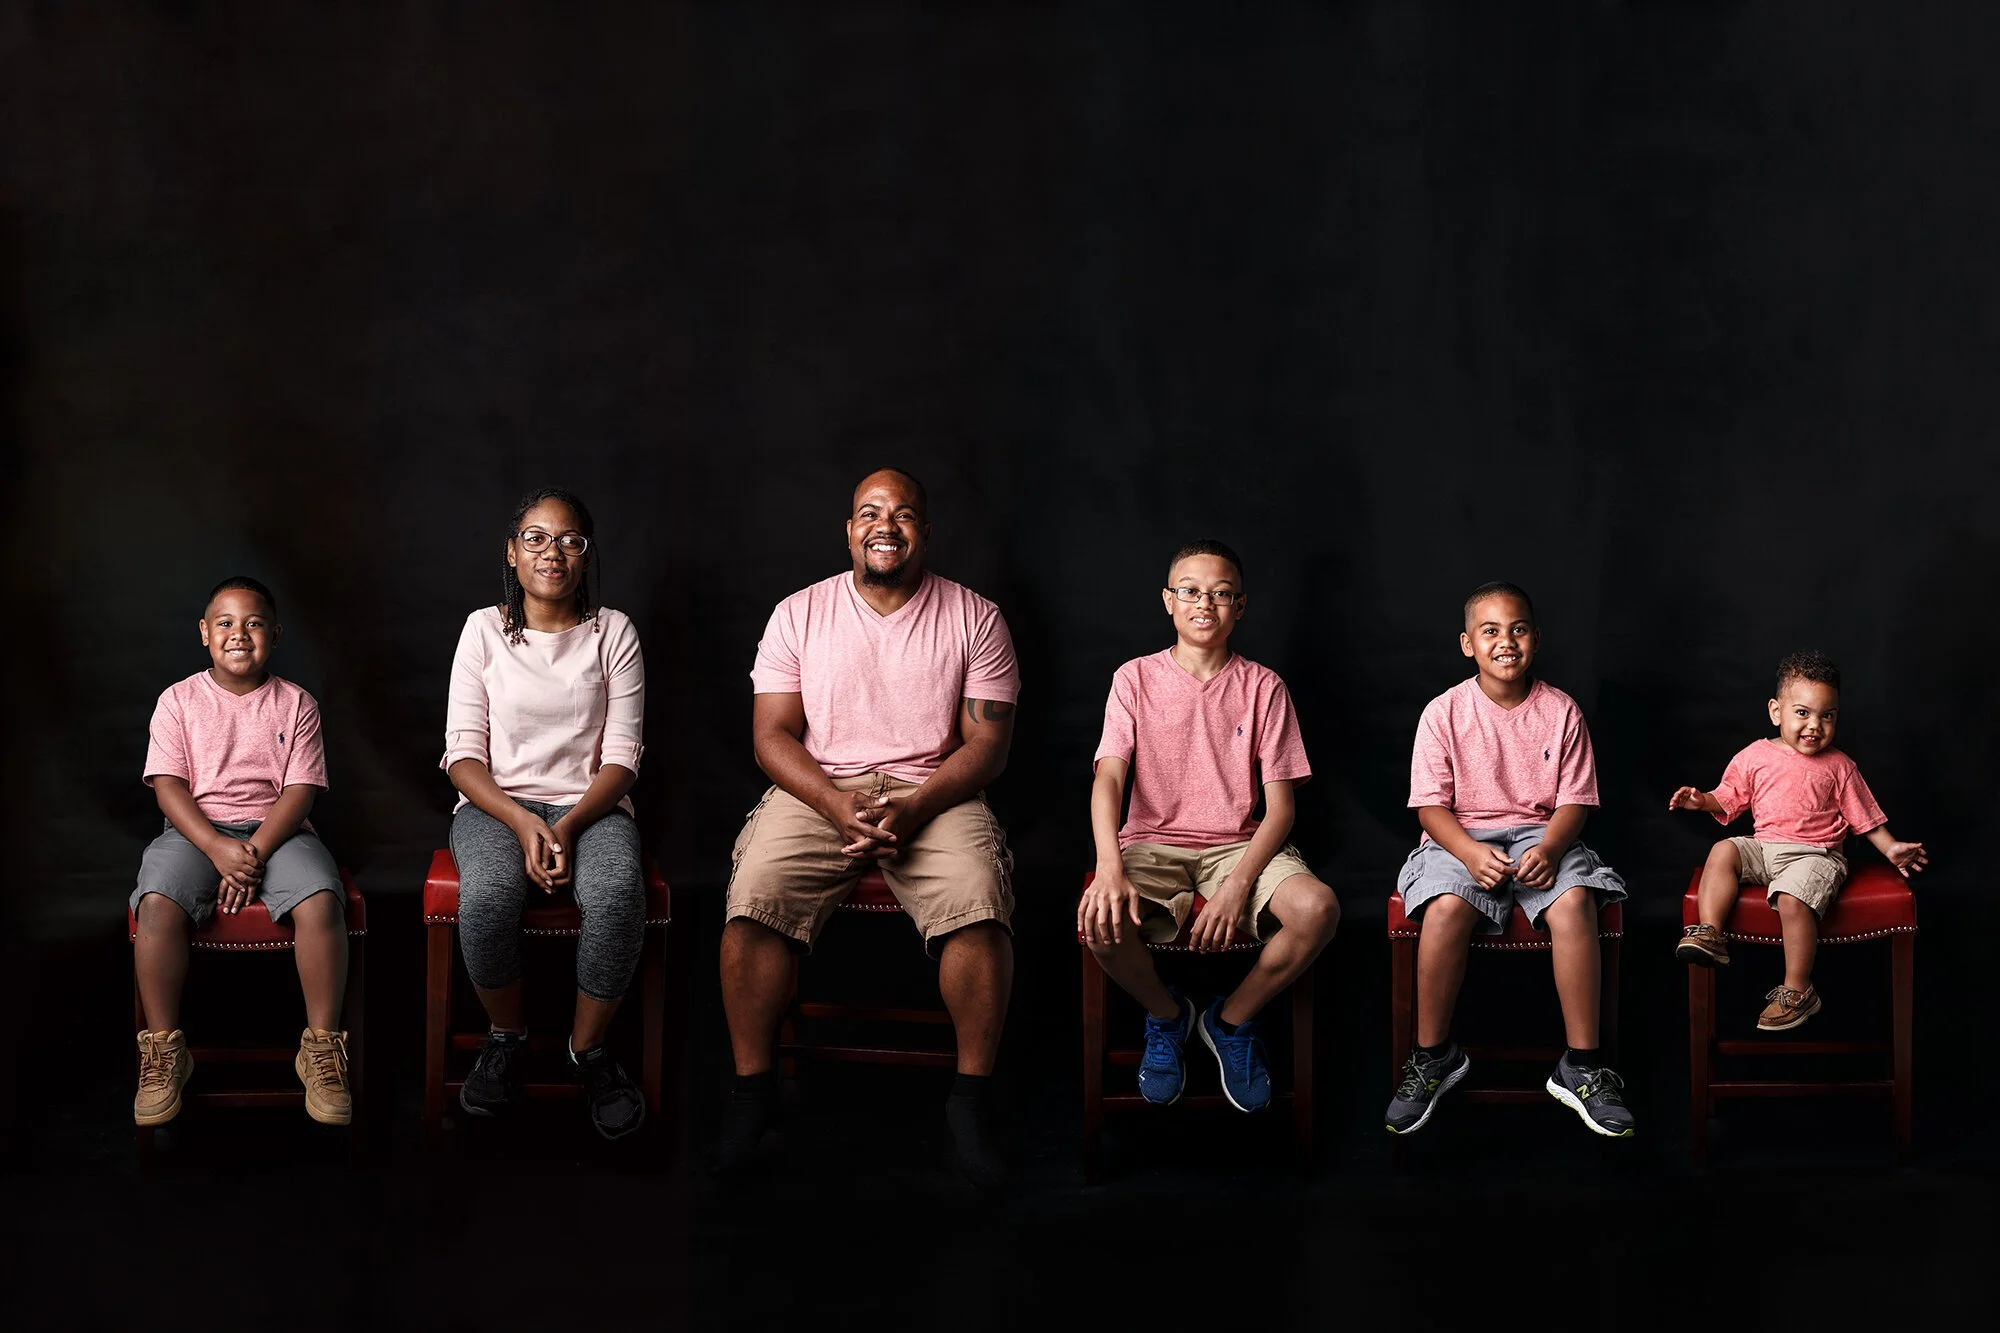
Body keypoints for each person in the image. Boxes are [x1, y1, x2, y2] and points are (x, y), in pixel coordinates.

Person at [717, 467, 1020, 1186]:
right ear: (849, 530)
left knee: (978, 906)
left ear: (926, 530)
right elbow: (772, 736)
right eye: (870, 512)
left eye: (904, 512)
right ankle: (752, 1094)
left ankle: (968, 1104)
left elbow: (986, 746)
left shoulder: (975, 616)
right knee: (753, 904)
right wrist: (832, 802)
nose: (886, 524)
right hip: (820, 786)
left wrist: (913, 807)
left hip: (932, 788)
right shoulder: (799, 613)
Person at [1077, 540, 1339, 1114]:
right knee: (1099, 918)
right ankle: (1168, 1016)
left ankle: (1230, 1019)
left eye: (1221, 594)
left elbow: (1282, 809)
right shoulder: (1135, 679)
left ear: (1240, 607)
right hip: (1151, 842)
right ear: (1168, 601)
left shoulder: (1263, 687)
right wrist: (1109, 869)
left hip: (1238, 846)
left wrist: (1237, 885)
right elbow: (1109, 782)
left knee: (1318, 909)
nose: (1205, 604)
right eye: (1191, 592)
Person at [1383, 582, 1635, 1138]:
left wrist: (1548, 848)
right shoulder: (1443, 712)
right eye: (1490, 631)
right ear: (1467, 643)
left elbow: (1575, 803)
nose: (1506, 641)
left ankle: (1583, 1065)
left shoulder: (1561, 709)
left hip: (1543, 835)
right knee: (1446, 908)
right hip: (1460, 838)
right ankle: (1433, 1056)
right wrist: (1471, 853)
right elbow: (1429, 808)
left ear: (1536, 639)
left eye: (1518, 629)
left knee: (1573, 902)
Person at [443, 487, 650, 1141]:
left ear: (586, 556)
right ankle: (507, 1036)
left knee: (617, 889)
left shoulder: (613, 631)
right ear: (512, 550)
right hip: (495, 805)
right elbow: (460, 756)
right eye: (535, 537)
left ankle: (586, 1050)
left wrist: (564, 824)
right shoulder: (482, 629)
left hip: (592, 805)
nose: (551, 551)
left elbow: (622, 757)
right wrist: (523, 820)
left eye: (568, 539)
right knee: (490, 892)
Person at [132, 576, 352, 1128]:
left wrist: (248, 851)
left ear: (274, 635)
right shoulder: (178, 700)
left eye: (253, 623)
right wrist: (215, 846)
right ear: (204, 633)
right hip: (194, 831)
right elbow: (168, 786)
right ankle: (162, 1052)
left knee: (321, 899)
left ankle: (322, 1050)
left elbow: (300, 791)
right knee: (157, 902)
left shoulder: (296, 702)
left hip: (278, 832)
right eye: (225, 623)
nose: (239, 634)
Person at [1670, 649, 1927, 1030]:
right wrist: (1702, 800)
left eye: (1827, 716)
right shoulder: (1755, 755)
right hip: (1765, 846)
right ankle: (1710, 934)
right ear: (1777, 711)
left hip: (1816, 856)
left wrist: (1891, 848)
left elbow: (1865, 817)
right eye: (1802, 713)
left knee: (1792, 896)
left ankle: (1798, 990)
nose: (1814, 726)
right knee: (1723, 849)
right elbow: (1728, 797)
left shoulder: (1839, 765)